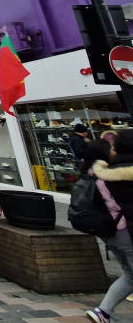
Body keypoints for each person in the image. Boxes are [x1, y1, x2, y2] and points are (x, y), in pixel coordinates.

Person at [85, 130, 133, 323]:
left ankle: (103, 312)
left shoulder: (102, 173)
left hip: (111, 232)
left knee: (130, 275)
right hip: (128, 232)